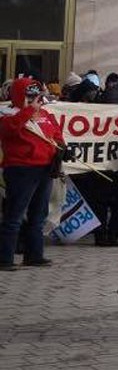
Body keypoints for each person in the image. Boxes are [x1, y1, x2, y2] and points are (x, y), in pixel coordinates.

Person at [0, 78, 66, 271]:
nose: (35, 100)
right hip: (22, 169)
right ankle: (5, 258)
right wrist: (28, 110)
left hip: (45, 168)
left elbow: (56, 133)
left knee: (39, 215)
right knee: (14, 215)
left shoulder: (45, 114)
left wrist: (62, 148)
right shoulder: (7, 114)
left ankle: (34, 255)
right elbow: (10, 130)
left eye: (37, 96)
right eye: (30, 96)